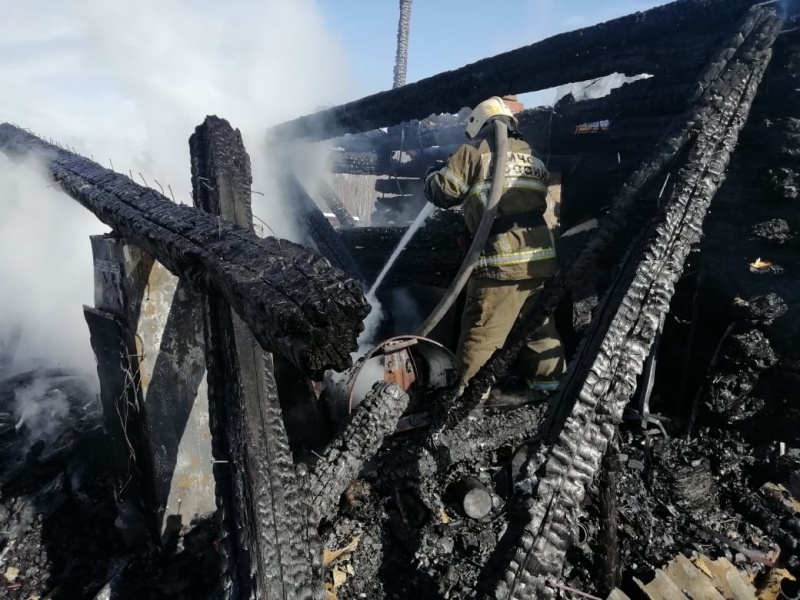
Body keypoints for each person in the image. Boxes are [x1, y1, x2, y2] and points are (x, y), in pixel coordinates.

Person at [422, 96, 565, 400]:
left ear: (477, 123)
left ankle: (464, 399)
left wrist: (432, 175)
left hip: (502, 259)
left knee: (482, 332)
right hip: (538, 259)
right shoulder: (532, 154)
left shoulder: (473, 151)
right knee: (538, 328)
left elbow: (445, 192)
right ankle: (547, 390)